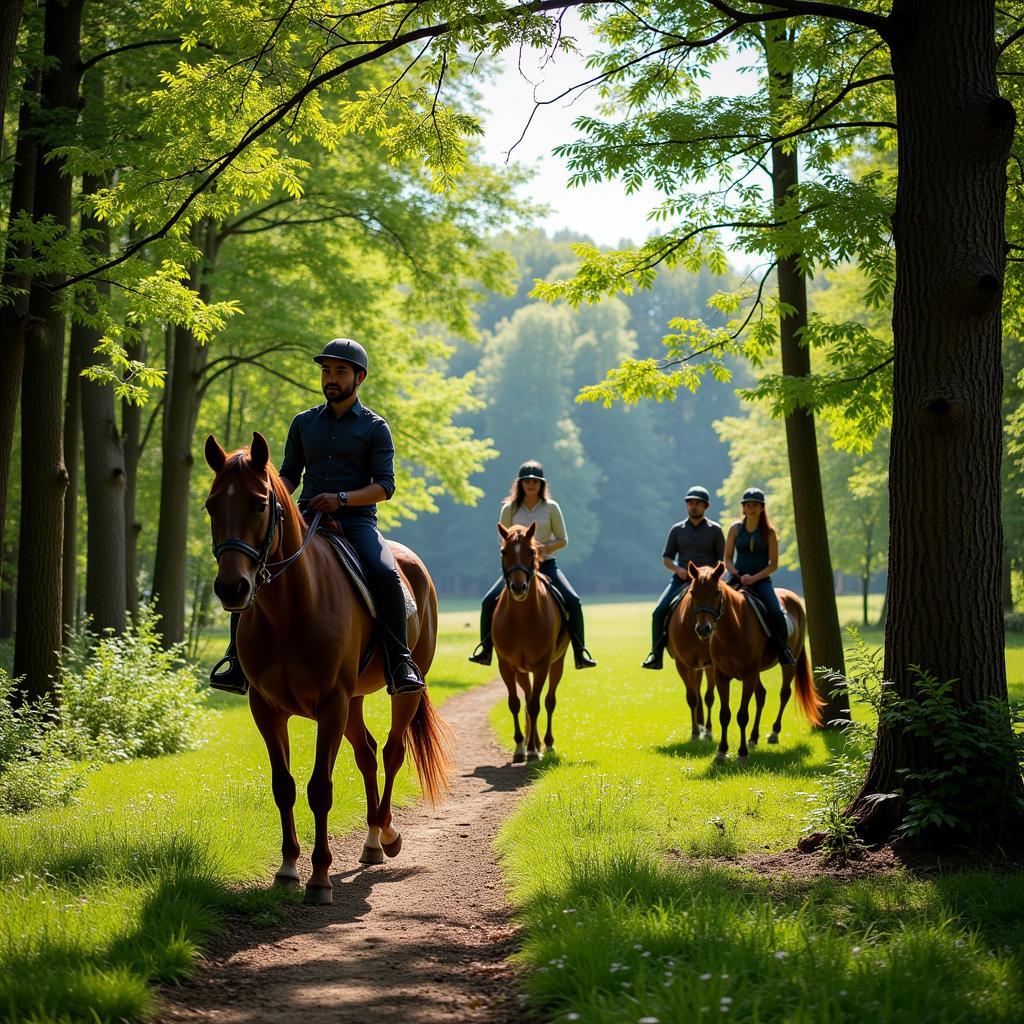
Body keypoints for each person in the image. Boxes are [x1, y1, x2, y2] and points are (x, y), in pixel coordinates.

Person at [209, 338, 425, 696]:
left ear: (359, 378)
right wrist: (270, 498)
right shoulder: (303, 422)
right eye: (326, 371)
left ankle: (400, 660)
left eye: (340, 371)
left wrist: (341, 499)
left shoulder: (375, 427)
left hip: (357, 523)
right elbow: (289, 474)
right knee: (252, 567)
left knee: (387, 574)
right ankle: (237, 661)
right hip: (306, 517)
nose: (331, 379)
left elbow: (384, 487)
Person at [468, 461, 597, 671]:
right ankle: (485, 650)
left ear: (541, 484)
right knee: (488, 601)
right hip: (517, 570)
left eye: (535, 481)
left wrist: (541, 550)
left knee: (573, 600)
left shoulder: (551, 507)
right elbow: (504, 541)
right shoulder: (509, 509)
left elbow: (563, 539)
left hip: (546, 566)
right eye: (527, 481)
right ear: (520, 484)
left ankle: (580, 651)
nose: (531, 485)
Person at [641, 485, 726, 670]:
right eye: (690, 503)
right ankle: (656, 655)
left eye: (697, 503)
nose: (693, 506)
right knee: (658, 612)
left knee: (731, 612)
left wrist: (709, 575)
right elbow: (666, 558)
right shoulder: (676, 530)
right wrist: (678, 569)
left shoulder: (715, 530)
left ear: (706, 506)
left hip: (709, 584)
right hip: (681, 580)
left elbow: (723, 560)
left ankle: (732, 651)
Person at [723, 487, 796, 666]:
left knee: (777, 613)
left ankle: (782, 649)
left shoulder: (770, 532)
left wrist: (753, 578)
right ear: (743, 508)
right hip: (736, 578)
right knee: (715, 605)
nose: (751, 508)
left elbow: (773, 565)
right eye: (748, 505)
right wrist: (736, 574)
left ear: (762, 508)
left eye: (755, 505)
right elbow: (727, 558)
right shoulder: (735, 529)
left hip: (761, 581)